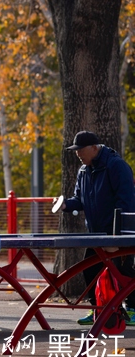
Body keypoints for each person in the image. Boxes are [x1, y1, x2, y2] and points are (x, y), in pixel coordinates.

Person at [55, 130, 135, 325]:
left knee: (125, 272)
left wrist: (117, 237)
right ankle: (97, 309)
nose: (78, 154)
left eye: (80, 150)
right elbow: (79, 200)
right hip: (97, 234)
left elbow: (126, 203)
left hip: (118, 234)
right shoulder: (83, 171)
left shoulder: (116, 166)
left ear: (94, 147)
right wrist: (65, 204)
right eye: (75, 150)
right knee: (90, 271)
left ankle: (132, 309)